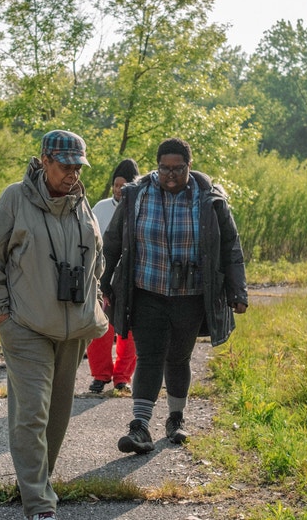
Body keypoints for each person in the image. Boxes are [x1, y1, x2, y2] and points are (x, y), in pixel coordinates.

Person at [0, 130, 108, 520]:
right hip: (26, 326)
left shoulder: (80, 202)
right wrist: (0, 312)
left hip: (73, 329)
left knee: (58, 414)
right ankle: (39, 504)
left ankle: (34, 482)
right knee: (32, 413)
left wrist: (94, 297)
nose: (73, 174)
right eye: (65, 166)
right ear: (44, 161)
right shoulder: (16, 198)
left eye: (78, 167)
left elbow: (97, 256)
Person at [101, 137, 249, 454]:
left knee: (179, 358)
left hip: (191, 295)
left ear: (189, 167)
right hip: (147, 292)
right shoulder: (136, 195)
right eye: (164, 169)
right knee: (151, 356)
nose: (170, 175)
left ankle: (176, 419)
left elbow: (230, 247)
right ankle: (140, 426)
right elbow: (112, 241)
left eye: (177, 169)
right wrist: (104, 281)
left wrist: (238, 291)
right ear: (157, 167)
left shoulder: (210, 199)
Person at [87, 159, 141, 394]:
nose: (119, 189)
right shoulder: (100, 208)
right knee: (101, 328)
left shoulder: (142, 205)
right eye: (116, 184)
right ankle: (100, 375)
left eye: (124, 184)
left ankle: (122, 377)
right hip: (102, 277)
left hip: (132, 278)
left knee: (128, 332)